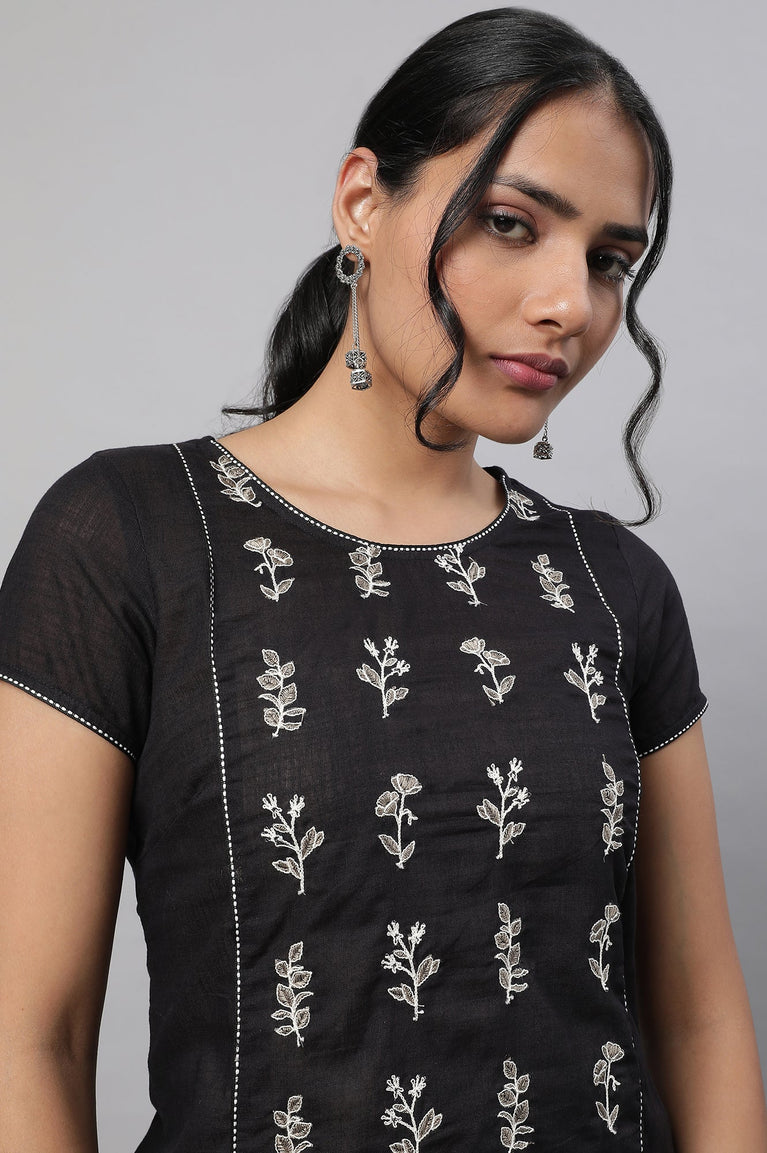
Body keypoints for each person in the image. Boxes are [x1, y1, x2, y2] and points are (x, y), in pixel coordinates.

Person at [0, 6, 764, 1151]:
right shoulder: (129, 535)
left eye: (608, 260)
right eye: (510, 223)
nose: (568, 303)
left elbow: (700, 1021)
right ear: (362, 201)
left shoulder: (612, 584)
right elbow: (30, 1036)